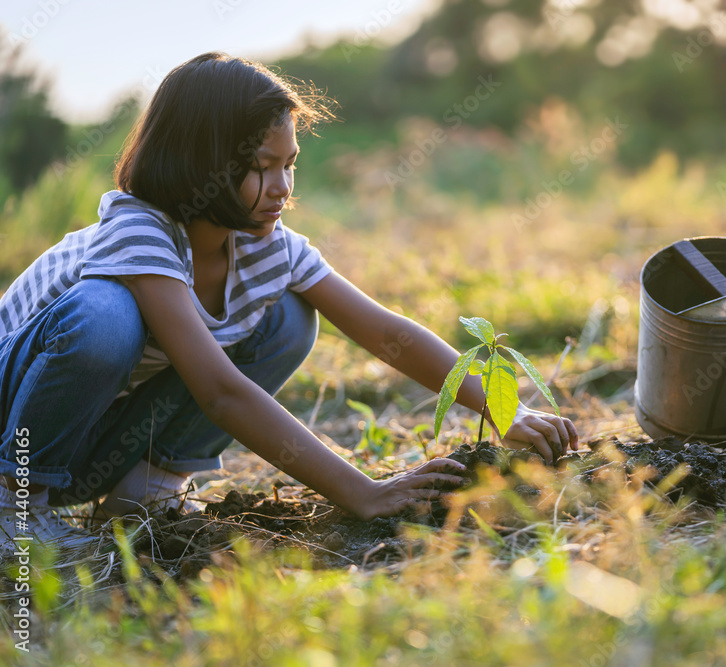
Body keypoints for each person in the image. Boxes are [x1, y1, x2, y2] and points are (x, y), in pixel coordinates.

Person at [0, 52, 577, 553]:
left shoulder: (266, 247)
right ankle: (16, 510)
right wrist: (362, 491)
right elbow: (220, 392)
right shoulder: (140, 230)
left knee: (289, 318)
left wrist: (506, 410)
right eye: (260, 168)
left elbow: (383, 331)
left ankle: (143, 493)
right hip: (15, 433)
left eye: (289, 164)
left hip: (85, 449)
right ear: (198, 165)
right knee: (106, 318)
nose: (283, 188)